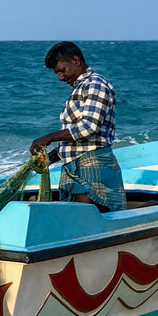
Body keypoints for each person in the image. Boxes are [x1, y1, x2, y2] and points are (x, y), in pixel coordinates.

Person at [30, 41, 125, 212]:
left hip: (92, 165)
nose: (60, 77)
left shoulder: (95, 84)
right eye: (57, 73)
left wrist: (49, 137)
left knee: (82, 221)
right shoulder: (80, 88)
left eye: (62, 70)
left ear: (75, 60)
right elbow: (76, 141)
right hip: (76, 166)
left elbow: (89, 127)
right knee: (78, 219)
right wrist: (50, 158)